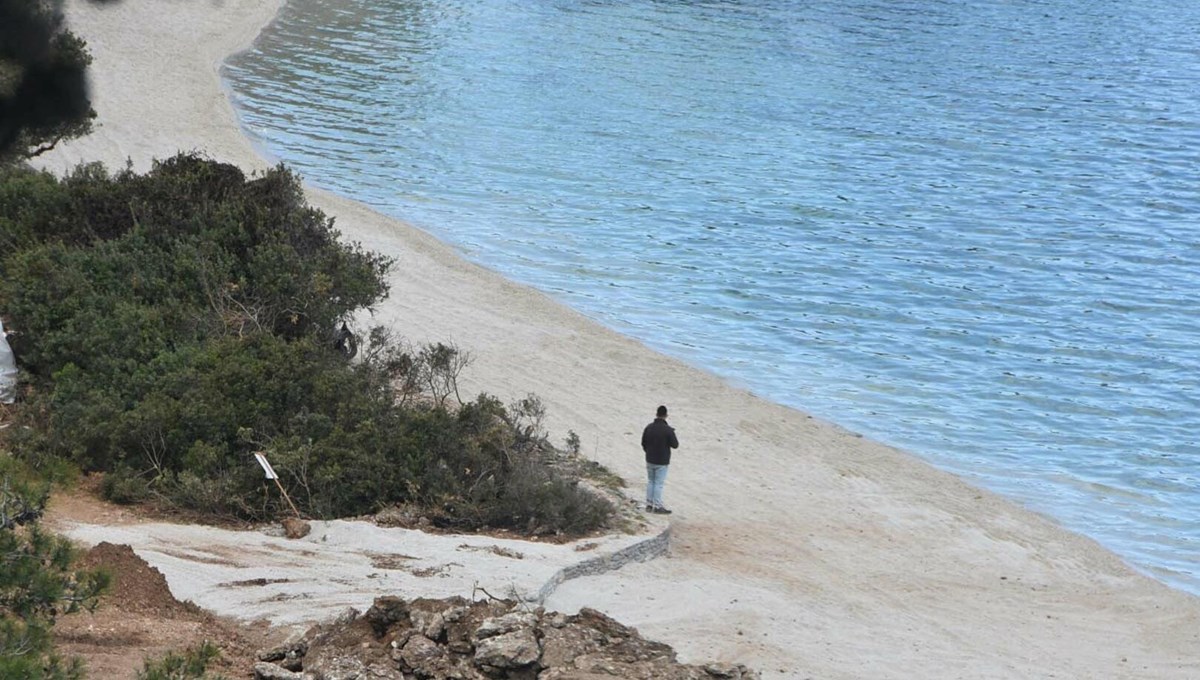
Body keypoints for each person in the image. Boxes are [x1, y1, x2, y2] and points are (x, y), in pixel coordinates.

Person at [641, 404, 679, 514]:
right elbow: (675, 445)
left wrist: (648, 451)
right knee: (658, 483)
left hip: (650, 458)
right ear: (666, 415)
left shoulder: (649, 427)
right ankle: (657, 506)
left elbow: (643, 442)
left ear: (656, 414)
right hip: (662, 460)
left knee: (651, 481)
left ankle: (649, 504)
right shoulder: (668, 430)